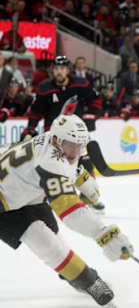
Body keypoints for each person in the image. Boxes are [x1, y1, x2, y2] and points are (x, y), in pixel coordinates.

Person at [0, 114, 133, 306]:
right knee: (44, 242)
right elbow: (71, 213)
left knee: (56, 238)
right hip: (5, 205)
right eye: (73, 144)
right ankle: (89, 281)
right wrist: (104, 233)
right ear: (56, 140)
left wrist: (86, 183)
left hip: (27, 194)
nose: (77, 150)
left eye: (80, 144)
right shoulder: (49, 162)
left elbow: (70, 166)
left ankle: (74, 276)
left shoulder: (56, 141)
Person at [21, 56, 105, 213]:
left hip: (77, 135)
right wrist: (30, 130)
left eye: (62, 69)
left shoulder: (80, 84)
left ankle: (91, 196)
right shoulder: (45, 88)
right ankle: (50, 199)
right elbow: (35, 112)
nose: (59, 72)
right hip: (53, 137)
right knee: (53, 168)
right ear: (53, 70)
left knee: (85, 164)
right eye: (56, 69)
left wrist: (92, 115)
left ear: (68, 70)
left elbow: (96, 100)